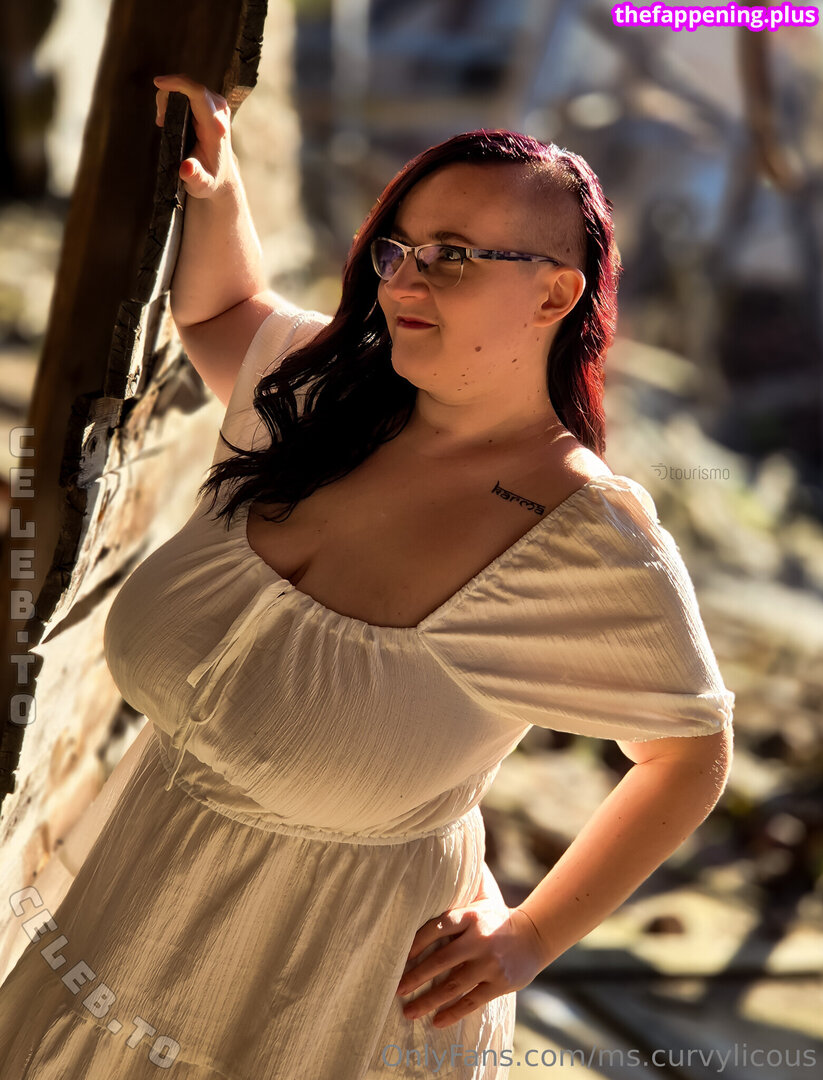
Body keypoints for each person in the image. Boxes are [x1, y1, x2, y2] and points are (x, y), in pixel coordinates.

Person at [0, 73, 735, 1079]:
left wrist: (529, 938)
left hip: (333, 1002)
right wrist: (218, 183)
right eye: (399, 249)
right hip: (128, 921)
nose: (404, 282)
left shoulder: (580, 532)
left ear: (555, 294)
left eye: (454, 256)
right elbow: (222, 311)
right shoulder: (321, 398)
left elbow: (688, 753)